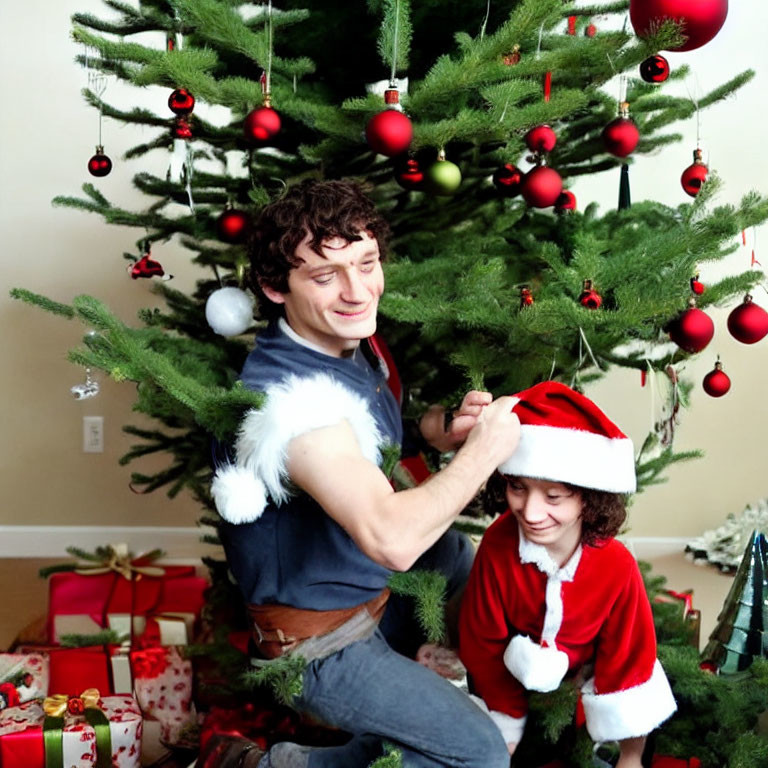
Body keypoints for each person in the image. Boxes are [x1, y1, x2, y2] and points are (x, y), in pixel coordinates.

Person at [207, 179, 521, 768]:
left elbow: (369, 432)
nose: (357, 292)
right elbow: (393, 539)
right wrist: (481, 452)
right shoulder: (293, 408)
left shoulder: (347, 342)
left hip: (361, 586)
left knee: (454, 554)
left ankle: (428, 691)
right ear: (277, 287)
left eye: (367, 263)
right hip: (320, 642)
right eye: (325, 277)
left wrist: (440, 427)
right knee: (478, 754)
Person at [459, 381, 677, 768]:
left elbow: (630, 659)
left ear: (588, 498)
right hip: (513, 681)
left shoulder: (616, 565)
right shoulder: (497, 545)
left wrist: (630, 756)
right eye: (517, 488)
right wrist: (505, 721)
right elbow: (482, 640)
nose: (530, 512)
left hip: (582, 679)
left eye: (554, 497)